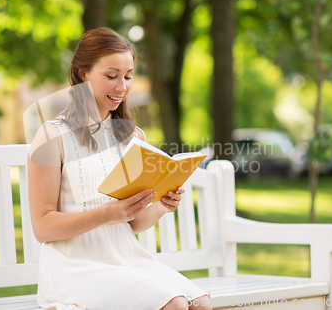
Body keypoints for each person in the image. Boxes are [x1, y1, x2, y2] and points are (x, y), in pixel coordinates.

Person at [27, 27, 212, 310]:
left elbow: (131, 225)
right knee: (173, 305)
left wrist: (161, 205)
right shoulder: (52, 136)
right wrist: (108, 212)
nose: (122, 87)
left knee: (200, 304)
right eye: (111, 76)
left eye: (128, 76)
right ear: (81, 74)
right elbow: (42, 227)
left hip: (126, 259)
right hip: (75, 267)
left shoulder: (133, 138)